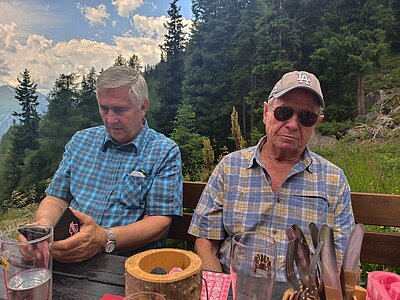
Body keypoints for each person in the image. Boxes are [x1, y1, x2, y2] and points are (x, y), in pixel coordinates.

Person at [188, 70, 355, 282]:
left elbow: (341, 260)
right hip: (236, 291)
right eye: (283, 112)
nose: (293, 124)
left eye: (306, 117)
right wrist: (220, 290)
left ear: (317, 123)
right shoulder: (229, 168)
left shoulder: (334, 180)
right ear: (266, 112)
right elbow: (205, 241)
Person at [34, 66, 183, 263]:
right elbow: (56, 199)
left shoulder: (164, 151)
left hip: (124, 264)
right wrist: (42, 229)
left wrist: (105, 238)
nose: (111, 119)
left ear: (143, 106)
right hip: (68, 255)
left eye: (120, 110)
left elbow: (159, 222)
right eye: (104, 108)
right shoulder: (81, 141)